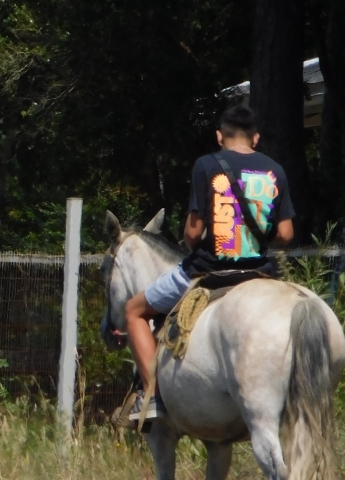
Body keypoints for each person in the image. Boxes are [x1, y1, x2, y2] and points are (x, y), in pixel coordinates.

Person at [123, 104, 295, 421]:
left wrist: (196, 242)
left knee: (134, 310)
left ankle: (152, 399)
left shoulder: (206, 166)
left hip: (209, 270)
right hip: (259, 273)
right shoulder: (275, 170)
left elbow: (192, 232)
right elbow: (285, 233)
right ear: (255, 138)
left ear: (219, 136)